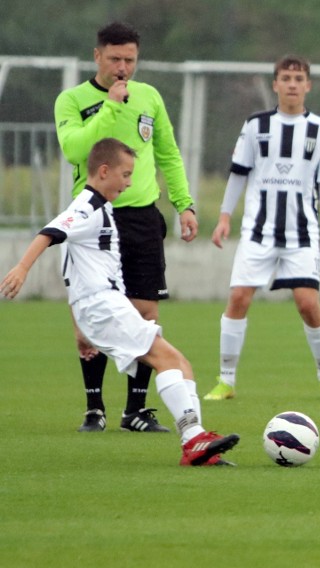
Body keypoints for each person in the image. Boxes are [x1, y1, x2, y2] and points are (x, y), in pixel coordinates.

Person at [1, 138, 239, 466]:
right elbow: (50, 233)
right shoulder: (85, 207)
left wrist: (80, 324)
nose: (129, 182)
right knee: (167, 361)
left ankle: (198, 444)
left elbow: (72, 268)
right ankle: (193, 439)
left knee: (181, 364)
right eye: (125, 175)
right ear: (103, 171)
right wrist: (22, 268)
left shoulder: (101, 207)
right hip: (103, 306)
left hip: (104, 306)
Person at [54, 21, 198, 433]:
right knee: (97, 316)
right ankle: (94, 407)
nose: (123, 67)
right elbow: (75, 150)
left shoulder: (150, 97)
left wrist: (184, 204)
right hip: (97, 219)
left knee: (145, 313)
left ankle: (136, 410)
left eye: (130, 60)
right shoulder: (73, 100)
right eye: (115, 58)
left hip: (141, 218)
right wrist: (112, 106)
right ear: (97, 56)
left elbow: (168, 152)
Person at [203, 55, 320, 403]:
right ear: (275, 85)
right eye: (286, 78)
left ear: (308, 85)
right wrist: (224, 216)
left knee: (307, 304)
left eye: (299, 78)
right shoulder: (255, 125)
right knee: (238, 298)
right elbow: (238, 172)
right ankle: (226, 380)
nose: (292, 84)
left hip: (302, 233)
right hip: (257, 232)